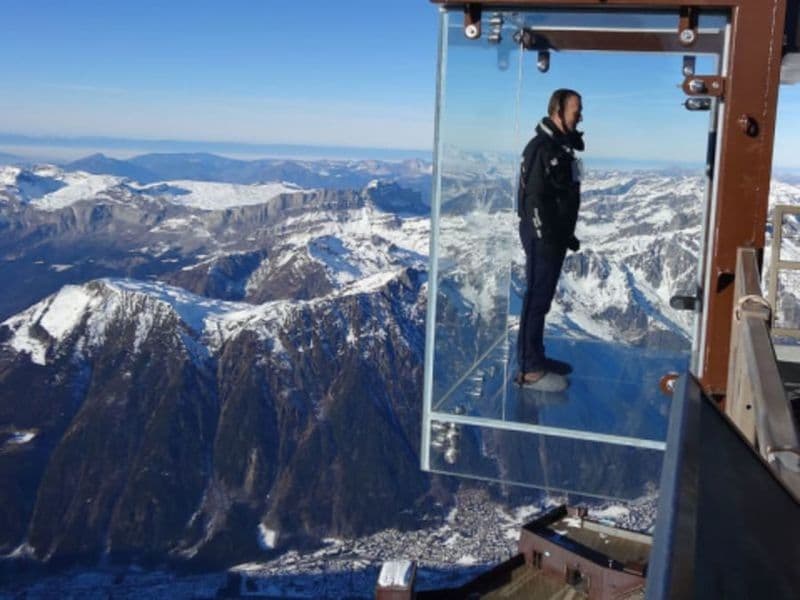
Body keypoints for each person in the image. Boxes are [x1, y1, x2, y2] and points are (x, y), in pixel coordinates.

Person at [515, 89, 584, 392]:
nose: (580, 116)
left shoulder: (558, 147)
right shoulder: (541, 148)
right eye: (575, 111)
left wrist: (564, 235)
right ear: (558, 111)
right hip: (542, 238)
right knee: (536, 299)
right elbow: (532, 200)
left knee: (542, 301)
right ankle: (530, 367)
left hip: (553, 238)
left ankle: (537, 358)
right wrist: (546, 237)